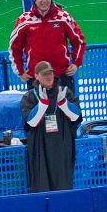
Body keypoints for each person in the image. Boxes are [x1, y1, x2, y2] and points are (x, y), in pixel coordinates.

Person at [20, 60, 82, 192]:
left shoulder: (65, 92)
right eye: (45, 74)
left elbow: (76, 116)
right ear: (36, 76)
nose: (49, 77)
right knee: (42, 185)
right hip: (40, 149)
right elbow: (31, 122)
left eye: (51, 74)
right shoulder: (29, 97)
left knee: (64, 184)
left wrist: (63, 103)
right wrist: (42, 104)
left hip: (62, 146)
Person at [9, 0, 86, 84]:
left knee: (65, 100)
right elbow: (14, 47)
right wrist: (20, 72)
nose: (44, 0)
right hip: (36, 77)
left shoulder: (63, 17)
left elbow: (79, 41)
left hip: (61, 75)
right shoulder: (24, 20)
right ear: (35, 0)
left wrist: (76, 63)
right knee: (38, 100)